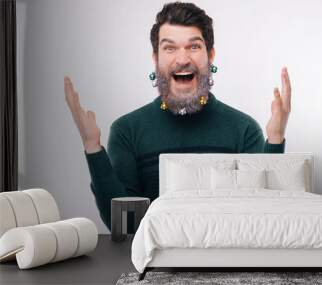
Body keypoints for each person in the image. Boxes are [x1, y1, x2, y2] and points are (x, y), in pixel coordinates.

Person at [64, 2, 292, 232]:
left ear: (210, 55)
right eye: (170, 48)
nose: (182, 59)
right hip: (156, 263)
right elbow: (124, 226)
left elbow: (260, 218)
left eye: (193, 46)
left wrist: (275, 138)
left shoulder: (244, 129)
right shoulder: (127, 131)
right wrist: (92, 146)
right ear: (156, 58)